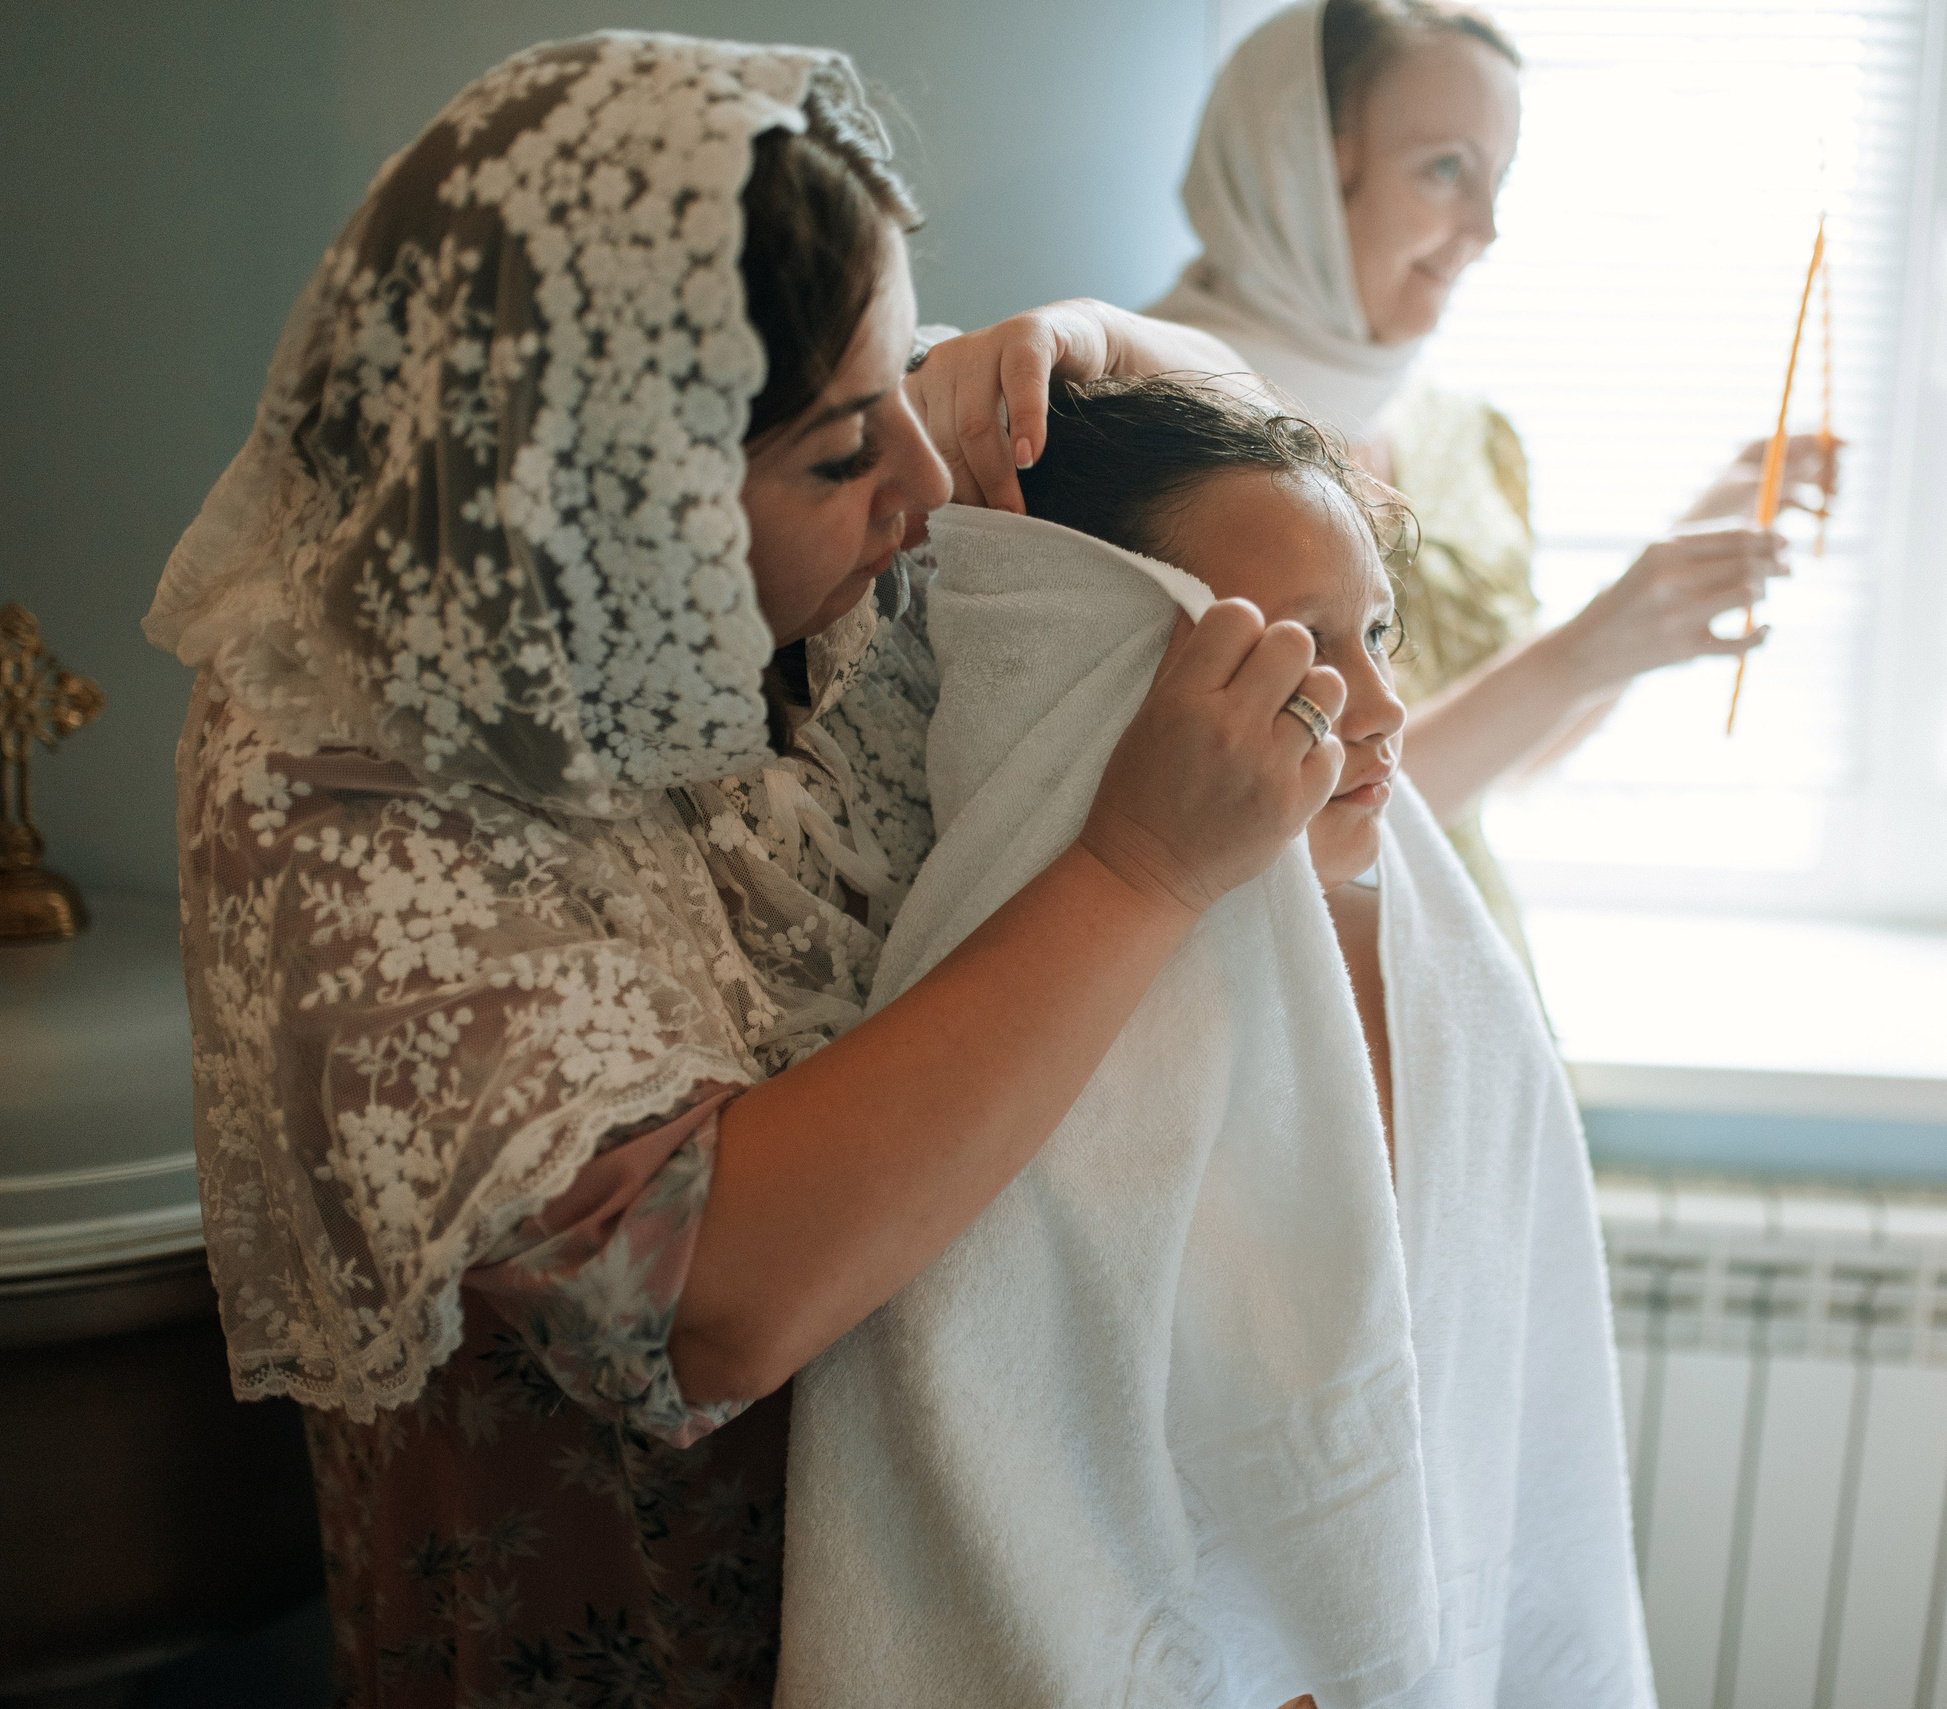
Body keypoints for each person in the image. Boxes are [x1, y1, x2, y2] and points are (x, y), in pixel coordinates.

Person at [144, 34, 1353, 1706]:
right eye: (845, 453)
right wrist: (1138, 871)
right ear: (608, 486)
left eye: (894, 390)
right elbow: (698, 1302)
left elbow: (1161, 397)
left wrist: (1069, 343)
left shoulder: (801, 553)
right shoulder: (341, 777)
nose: (923, 491)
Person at [783, 374, 1647, 1706]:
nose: (1380, 709)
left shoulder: (1434, 996)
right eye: (1299, 652)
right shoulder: (989, 1061)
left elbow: (1470, 1433)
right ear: (1096, 673)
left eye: (1376, 632)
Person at [1100, 0, 1838, 958]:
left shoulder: (1464, 439)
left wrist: (1713, 523)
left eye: (1500, 179)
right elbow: (1278, 826)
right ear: (1305, 170)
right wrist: (1585, 644)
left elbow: (1518, 757)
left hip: (1474, 984)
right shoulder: (1145, 434)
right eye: (1445, 168)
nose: (1485, 227)